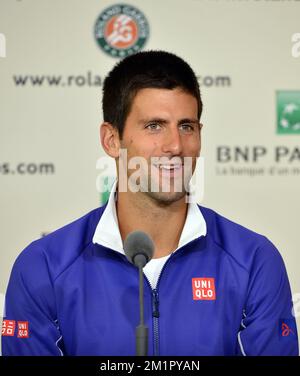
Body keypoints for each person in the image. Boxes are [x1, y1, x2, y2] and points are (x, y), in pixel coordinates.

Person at [1, 51, 298, 356]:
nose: (175, 146)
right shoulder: (43, 267)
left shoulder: (254, 260)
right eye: (154, 126)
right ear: (111, 140)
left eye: (187, 126)